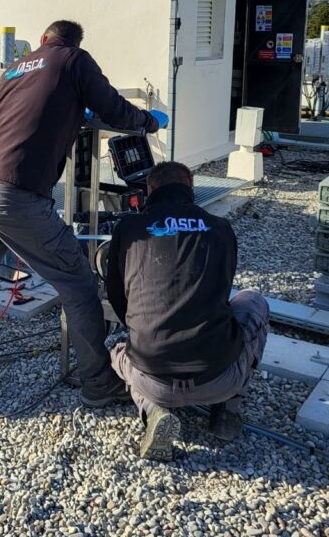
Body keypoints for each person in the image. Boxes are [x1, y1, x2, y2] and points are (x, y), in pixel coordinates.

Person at [0, 19, 164, 406]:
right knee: (78, 285)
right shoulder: (74, 60)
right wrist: (147, 123)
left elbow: (1, 122)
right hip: (17, 194)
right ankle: (98, 384)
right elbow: (112, 107)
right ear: (72, 42)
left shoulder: (15, 69)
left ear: (43, 39)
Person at [104, 161, 269, 460]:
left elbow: (116, 296)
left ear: (150, 189)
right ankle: (227, 412)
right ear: (191, 187)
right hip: (219, 377)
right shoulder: (221, 228)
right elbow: (224, 290)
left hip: (152, 379)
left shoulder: (128, 228)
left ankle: (153, 410)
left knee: (117, 350)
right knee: (254, 300)